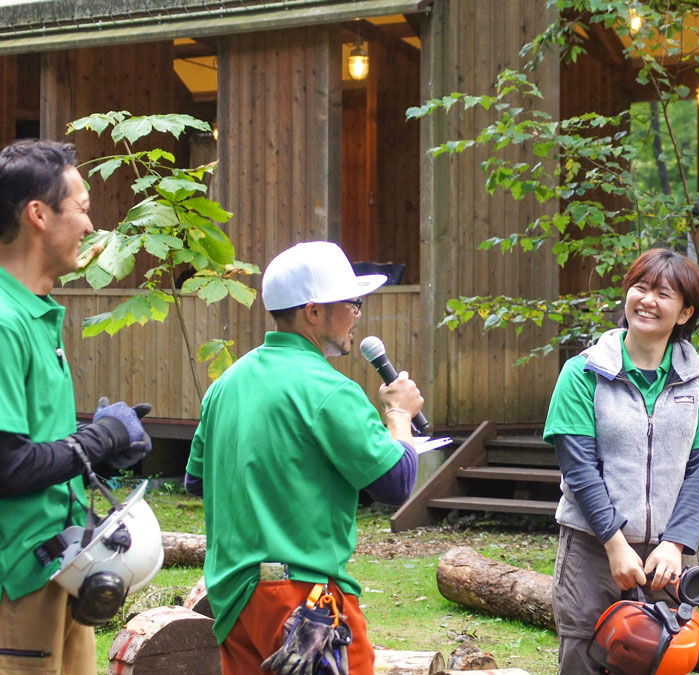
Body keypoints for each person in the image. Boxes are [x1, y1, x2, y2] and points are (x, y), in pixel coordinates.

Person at [185, 241, 423, 674]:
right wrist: (400, 414)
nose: (357, 315)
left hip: (234, 598)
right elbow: (396, 483)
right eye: (352, 303)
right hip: (305, 600)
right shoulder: (329, 389)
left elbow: (198, 482)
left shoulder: (226, 384)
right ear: (313, 312)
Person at [0, 139, 154, 674]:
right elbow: (6, 465)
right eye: (83, 209)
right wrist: (99, 439)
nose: (92, 227)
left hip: (61, 568)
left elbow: (38, 446)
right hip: (15, 583)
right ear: (38, 214)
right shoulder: (2, 321)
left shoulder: (35, 311)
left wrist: (99, 455)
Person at [543, 248, 699, 674]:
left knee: (665, 659)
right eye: (640, 287)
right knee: (583, 657)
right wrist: (614, 544)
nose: (647, 300)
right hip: (592, 549)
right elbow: (579, 469)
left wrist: (676, 544)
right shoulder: (583, 373)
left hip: (670, 558)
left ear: (685, 313)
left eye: (663, 294)